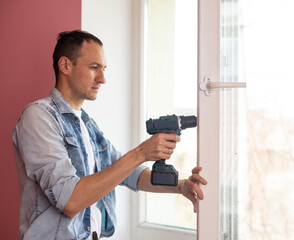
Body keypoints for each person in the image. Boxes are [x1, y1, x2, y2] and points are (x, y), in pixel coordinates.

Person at [12, 30, 207, 240]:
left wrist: (181, 186)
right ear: (66, 66)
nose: (103, 79)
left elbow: (131, 174)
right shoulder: (39, 117)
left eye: (103, 69)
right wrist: (142, 152)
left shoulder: (86, 123)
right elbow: (70, 201)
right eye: (94, 67)